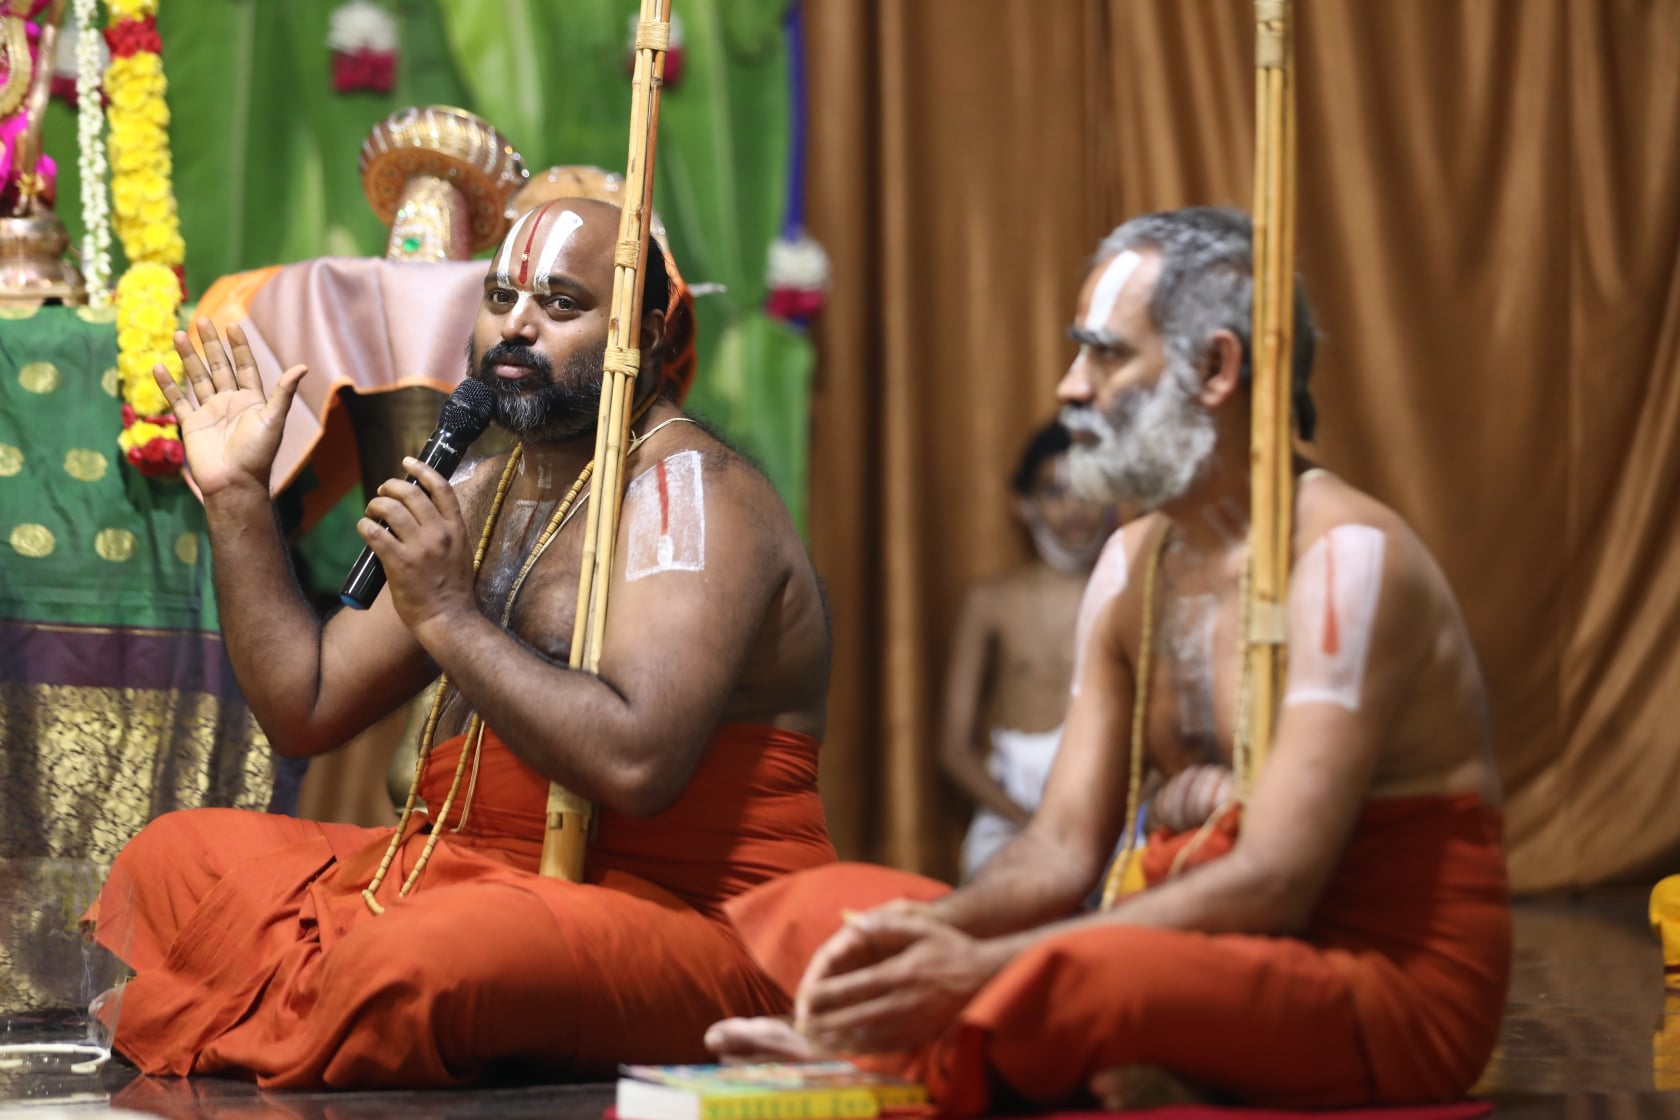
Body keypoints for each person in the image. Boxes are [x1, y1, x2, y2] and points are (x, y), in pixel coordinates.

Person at [707, 207, 1510, 1111]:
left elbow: (1279, 882)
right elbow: (1056, 849)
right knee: (834, 911)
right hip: (1190, 956)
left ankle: (892, 1058)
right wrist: (928, 934)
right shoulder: (1134, 565)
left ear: (1216, 368)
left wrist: (976, 969)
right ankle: (977, 1038)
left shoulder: (1343, 559)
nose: (1069, 387)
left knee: (1092, 982)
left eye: (1104, 354)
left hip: (1376, 984)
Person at [85, 199, 836, 1089]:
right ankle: (352, 996)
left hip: (688, 918)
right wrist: (239, 497)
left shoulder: (690, 493)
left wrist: (447, 615)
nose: (516, 324)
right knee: (173, 858)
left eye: (561, 304)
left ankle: (345, 994)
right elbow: (305, 705)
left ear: (646, 329)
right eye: (501, 294)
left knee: (433, 961)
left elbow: (638, 764)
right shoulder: (481, 488)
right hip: (465, 876)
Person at [941, 420, 1115, 880]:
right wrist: (1030, 825)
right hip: (1011, 819)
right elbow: (953, 747)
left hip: (1110, 813)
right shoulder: (992, 603)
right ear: (1023, 505)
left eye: (1088, 489)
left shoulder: (1130, 597)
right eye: (1055, 492)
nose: (1075, 507)